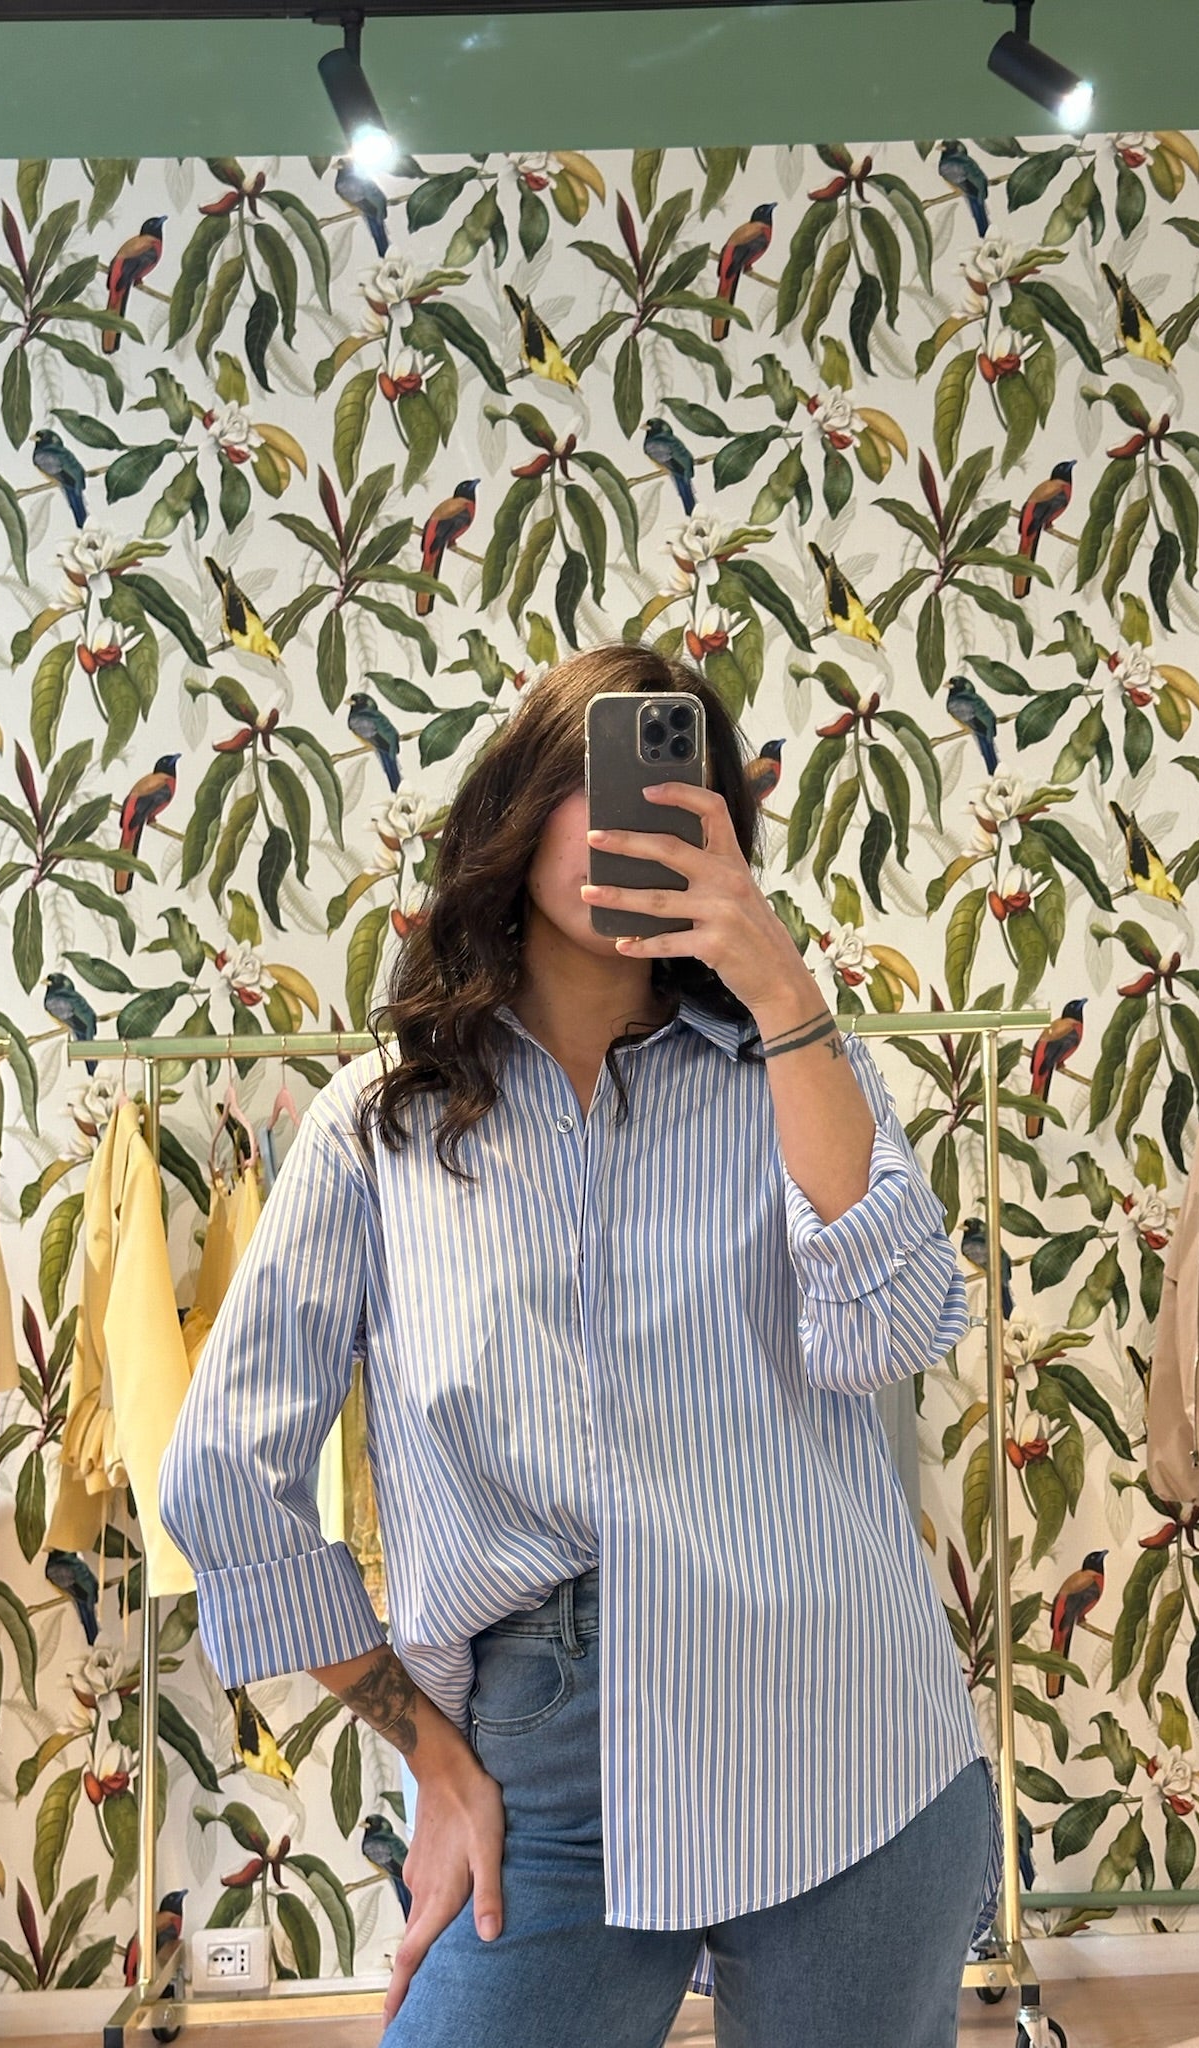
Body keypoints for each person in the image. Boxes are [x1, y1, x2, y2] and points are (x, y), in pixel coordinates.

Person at [159, 643, 999, 2047]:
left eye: (677, 796)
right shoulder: (383, 1128)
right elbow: (221, 1479)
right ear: (519, 807)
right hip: (547, 1764)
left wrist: (787, 994)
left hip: (845, 1731)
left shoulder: (798, 1078)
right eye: (598, 783)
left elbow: (896, 1328)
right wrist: (430, 1755)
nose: (634, 824)